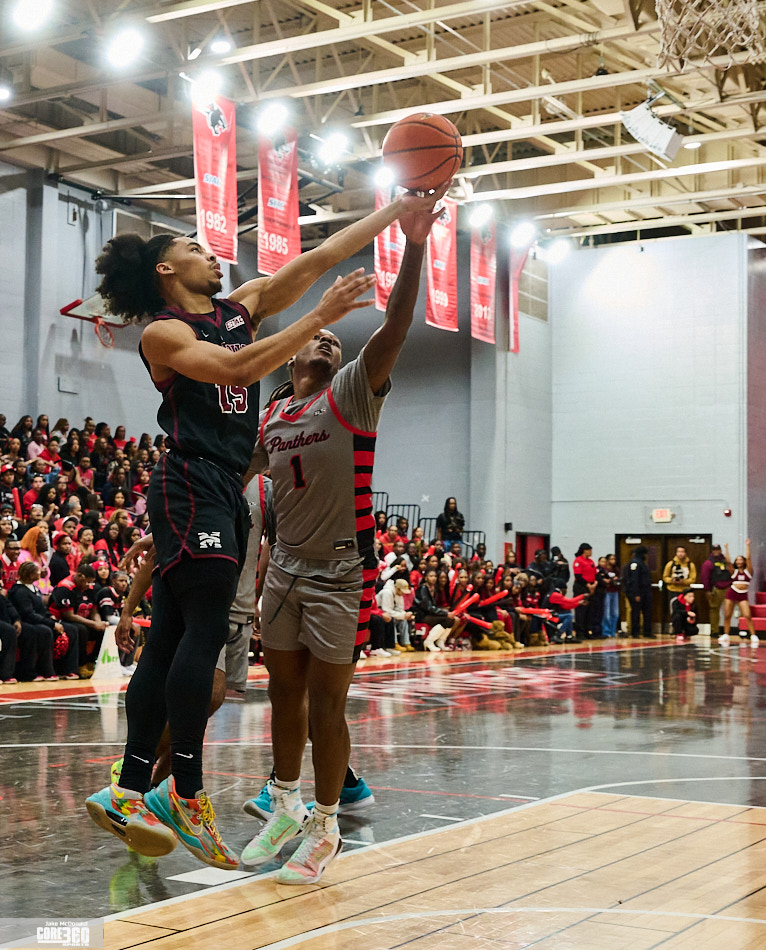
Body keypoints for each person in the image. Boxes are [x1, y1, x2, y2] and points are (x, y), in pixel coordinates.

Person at [85, 189, 436, 870]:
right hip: (193, 479)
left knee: (171, 634)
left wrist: (400, 211)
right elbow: (238, 368)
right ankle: (185, 791)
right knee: (204, 628)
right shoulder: (164, 334)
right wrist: (319, 319)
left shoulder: (237, 310)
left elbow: (321, 256)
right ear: (165, 269)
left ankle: (130, 788)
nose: (214, 256)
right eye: (196, 248)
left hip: (216, 488)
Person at [240, 192, 447, 883]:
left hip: (339, 571)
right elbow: (236, 474)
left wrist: (414, 243)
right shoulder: (272, 415)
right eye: (318, 336)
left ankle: (326, 824)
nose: (329, 340)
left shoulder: (354, 390)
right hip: (283, 571)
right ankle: (285, 805)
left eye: (335, 338)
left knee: (328, 705)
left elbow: (397, 321)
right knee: (283, 696)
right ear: (291, 356)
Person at [719, 539, 758, 645]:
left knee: (747, 615)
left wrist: (747, 545)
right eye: (737, 560)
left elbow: (749, 558)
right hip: (732, 593)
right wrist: (726, 548)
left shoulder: (748, 571)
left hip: (743, 595)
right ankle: (726, 634)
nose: (739, 561)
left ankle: (753, 635)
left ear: (744, 561)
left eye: (741, 560)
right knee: (727, 614)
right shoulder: (734, 571)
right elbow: (728, 561)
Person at [662, 546, 697, 631]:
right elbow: (665, 577)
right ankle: (674, 628)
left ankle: (685, 628)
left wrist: (683, 581)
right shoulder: (670, 564)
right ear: (676, 553)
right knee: (674, 611)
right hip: (673, 590)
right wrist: (672, 580)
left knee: (686, 611)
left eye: (682, 552)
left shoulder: (690, 565)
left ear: (685, 553)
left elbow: (693, 579)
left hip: (685, 592)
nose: (680, 554)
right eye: (679, 552)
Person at [700, 543, 731, 639]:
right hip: (716, 588)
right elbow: (705, 577)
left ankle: (727, 631)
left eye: (718, 549)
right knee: (714, 609)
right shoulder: (708, 563)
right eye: (714, 549)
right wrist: (707, 590)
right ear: (712, 551)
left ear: (720, 550)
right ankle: (714, 631)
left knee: (729, 610)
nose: (716, 551)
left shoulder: (726, 561)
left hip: (728, 587)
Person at [623, 545, 653, 638]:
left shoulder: (642, 563)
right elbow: (634, 580)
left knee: (647, 612)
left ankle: (647, 632)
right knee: (636, 612)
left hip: (645, 591)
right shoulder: (635, 563)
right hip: (638, 592)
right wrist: (636, 594)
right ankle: (635, 632)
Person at [572, 543, 598, 639]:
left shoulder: (591, 561)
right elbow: (578, 576)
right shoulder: (578, 561)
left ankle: (587, 631)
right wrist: (588, 585)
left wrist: (594, 584)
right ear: (584, 551)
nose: (591, 552)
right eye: (590, 550)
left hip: (591, 586)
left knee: (590, 610)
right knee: (581, 610)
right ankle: (580, 632)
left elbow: (595, 574)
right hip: (581, 587)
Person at [601, 554, 621, 638]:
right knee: (607, 613)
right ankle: (606, 631)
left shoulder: (616, 569)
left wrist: (617, 579)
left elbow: (620, 579)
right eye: (611, 559)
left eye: (614, 559)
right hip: (607, 591)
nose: (613, 561)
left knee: (615, 613)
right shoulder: (604, 570)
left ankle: (613, 631)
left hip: (615, 591)